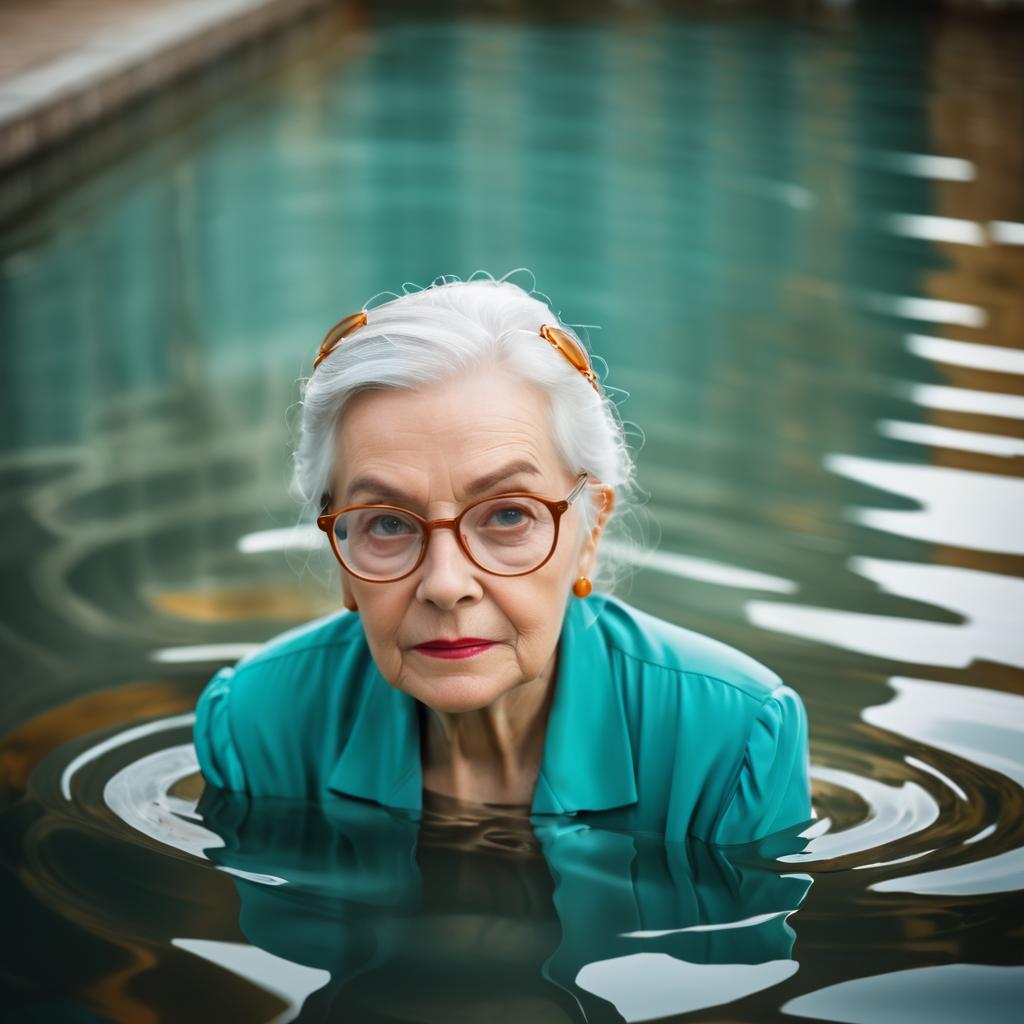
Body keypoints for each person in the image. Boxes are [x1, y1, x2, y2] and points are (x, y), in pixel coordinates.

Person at [193, 274, 813, 845]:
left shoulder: (734, 742)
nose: (445, 584)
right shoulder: (255, 727)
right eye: (387, 523)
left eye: (508, 515)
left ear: (589, 532)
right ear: (339, 550)